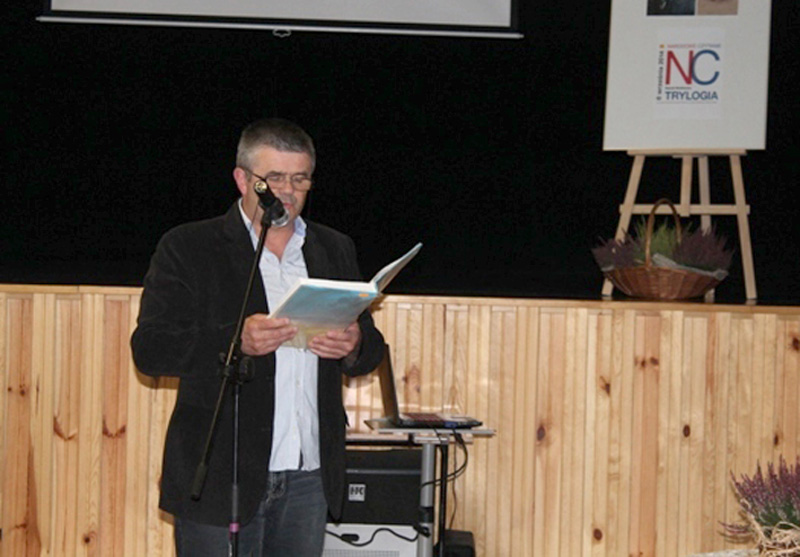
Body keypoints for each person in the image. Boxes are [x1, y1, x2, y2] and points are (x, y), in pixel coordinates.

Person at [130, 118, 386, 556]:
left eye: (300, 179)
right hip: (222, 475)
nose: (287, 192)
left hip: (308, 477)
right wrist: (235, 341)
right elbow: (150, 348)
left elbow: (371, 347)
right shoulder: (190, 246)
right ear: (242, 179)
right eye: (275, 179)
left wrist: (354, 346)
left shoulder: (333, 248)